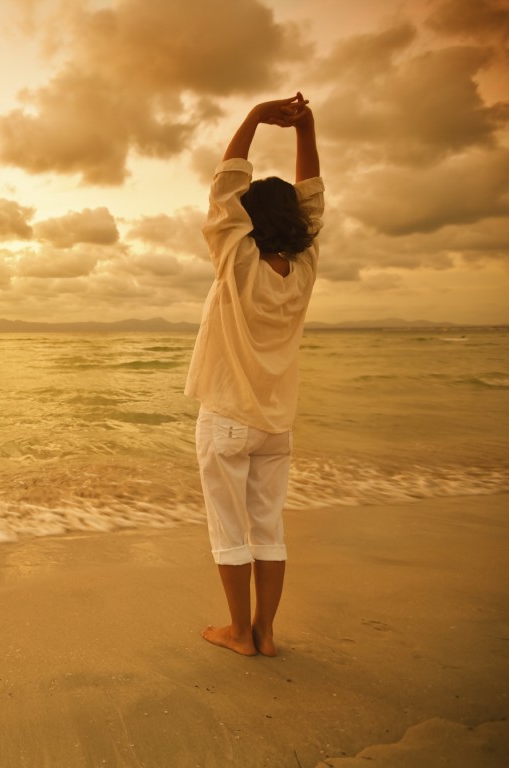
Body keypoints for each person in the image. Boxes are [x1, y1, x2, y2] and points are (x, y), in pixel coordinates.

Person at [185, 93, 323, 657]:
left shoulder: (237, 260)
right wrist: (305, 128)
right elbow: (313, 203)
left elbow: (224, 186)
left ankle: (238, 632)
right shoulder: (305, 268)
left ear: (248, 220)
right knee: (269, 530)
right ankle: (266, 632)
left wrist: (253, 118)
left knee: (228, 531)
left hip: (227, 420)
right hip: (276, 424)